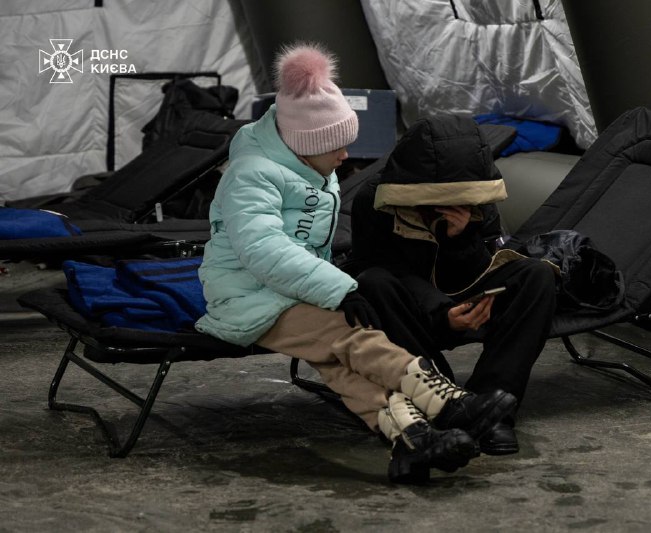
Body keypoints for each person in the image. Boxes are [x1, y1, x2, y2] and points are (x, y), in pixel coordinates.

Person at [194, 43, 516, 484]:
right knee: (347, 335)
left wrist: (332, 284)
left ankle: (411, 441)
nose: (345, 155)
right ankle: (448, 403)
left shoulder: (305, 161)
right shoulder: (251, 174)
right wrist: (339, 288)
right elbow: (263, 248)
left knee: (339, 365)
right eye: (337, 146)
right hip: (247, 296)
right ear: (305, 144)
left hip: (286, 287)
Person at [346, 114, 558, 456]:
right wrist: (442, 313)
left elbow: (482, 266)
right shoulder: (373, 200)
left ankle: (492, 406)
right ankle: (446, 402)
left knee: (536, 274)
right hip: (411, 311)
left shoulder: (479, 196)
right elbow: (382, 268)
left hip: (462, 291)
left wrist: (461, 238)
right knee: (372, 282)